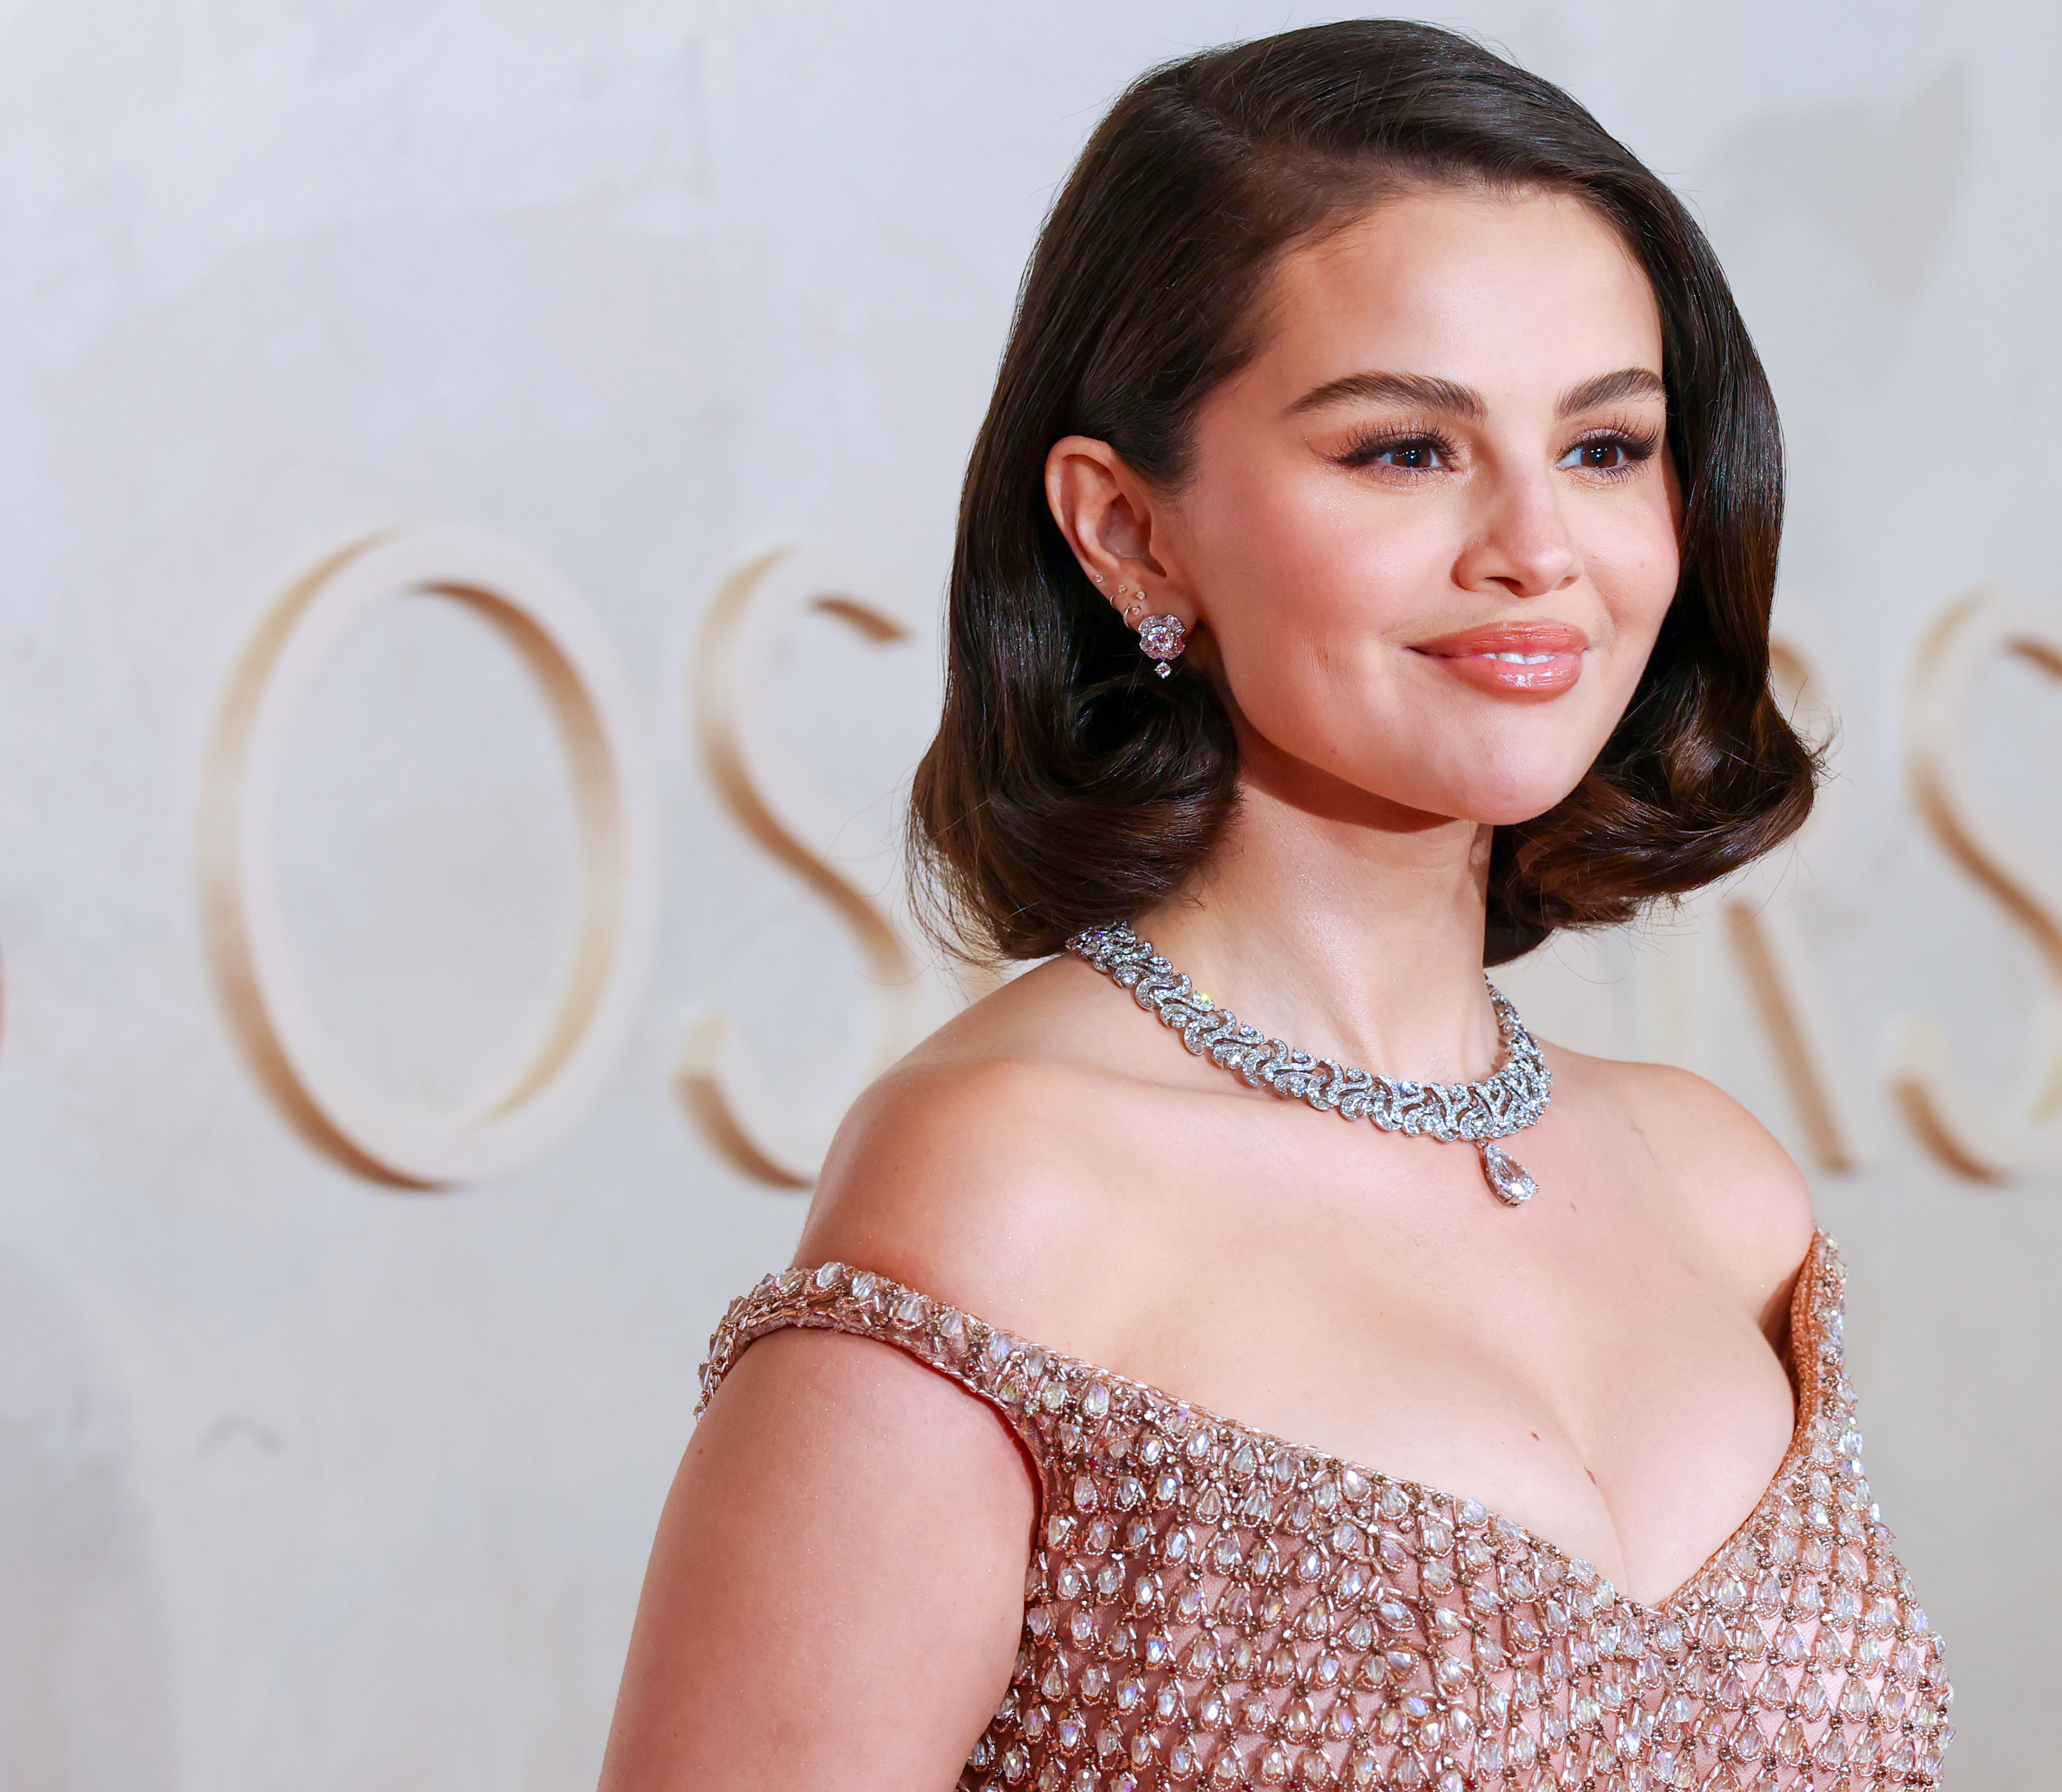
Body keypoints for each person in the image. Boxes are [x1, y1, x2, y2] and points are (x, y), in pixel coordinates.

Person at [598, 21, 1951, 1791]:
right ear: (1127, 534)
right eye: (1404, 450)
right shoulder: (1009, 1185)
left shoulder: (1718, 1192)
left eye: (1609, 448)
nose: (1538, 547)